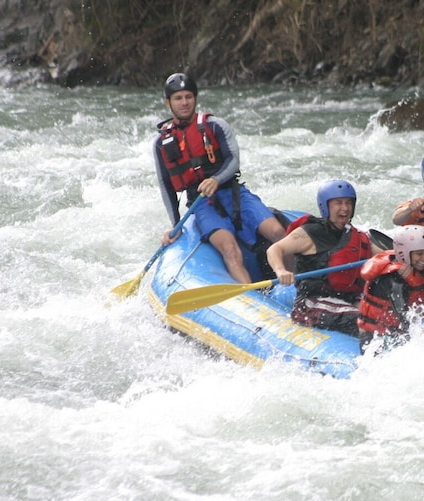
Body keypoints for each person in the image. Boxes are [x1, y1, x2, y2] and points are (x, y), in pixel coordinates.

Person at [154, 72, 286, 284]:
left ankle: (295, 289)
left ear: (195, 98)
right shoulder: (161, 142)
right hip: (202, 205)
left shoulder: (215, 125)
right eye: (178, 98)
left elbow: (234, 160)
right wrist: (175, 224)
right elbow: (166, 184)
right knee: (230, 249)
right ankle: (252, 300)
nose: (184, 102)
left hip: (235, 194)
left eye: (189, 96)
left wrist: (216, 179)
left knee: (279, 232)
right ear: (168, 103)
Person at [266, 179, 384, 336]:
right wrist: (280, 270)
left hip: (348, 299)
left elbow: (384, 257)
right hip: (312, 304)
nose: (345, 208)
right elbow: (275, 249)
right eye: (338, 203)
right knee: (367, 322)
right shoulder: (311, 232)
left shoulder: (355, 236)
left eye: (348, 203)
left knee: (386, 318)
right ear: (326, 206)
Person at [357, 225, 424, 352]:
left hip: (397, 332)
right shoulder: (393, 280)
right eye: (419, 254)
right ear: (404, 253)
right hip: (374, 339)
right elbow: (404, 318)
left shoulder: (422, 271)